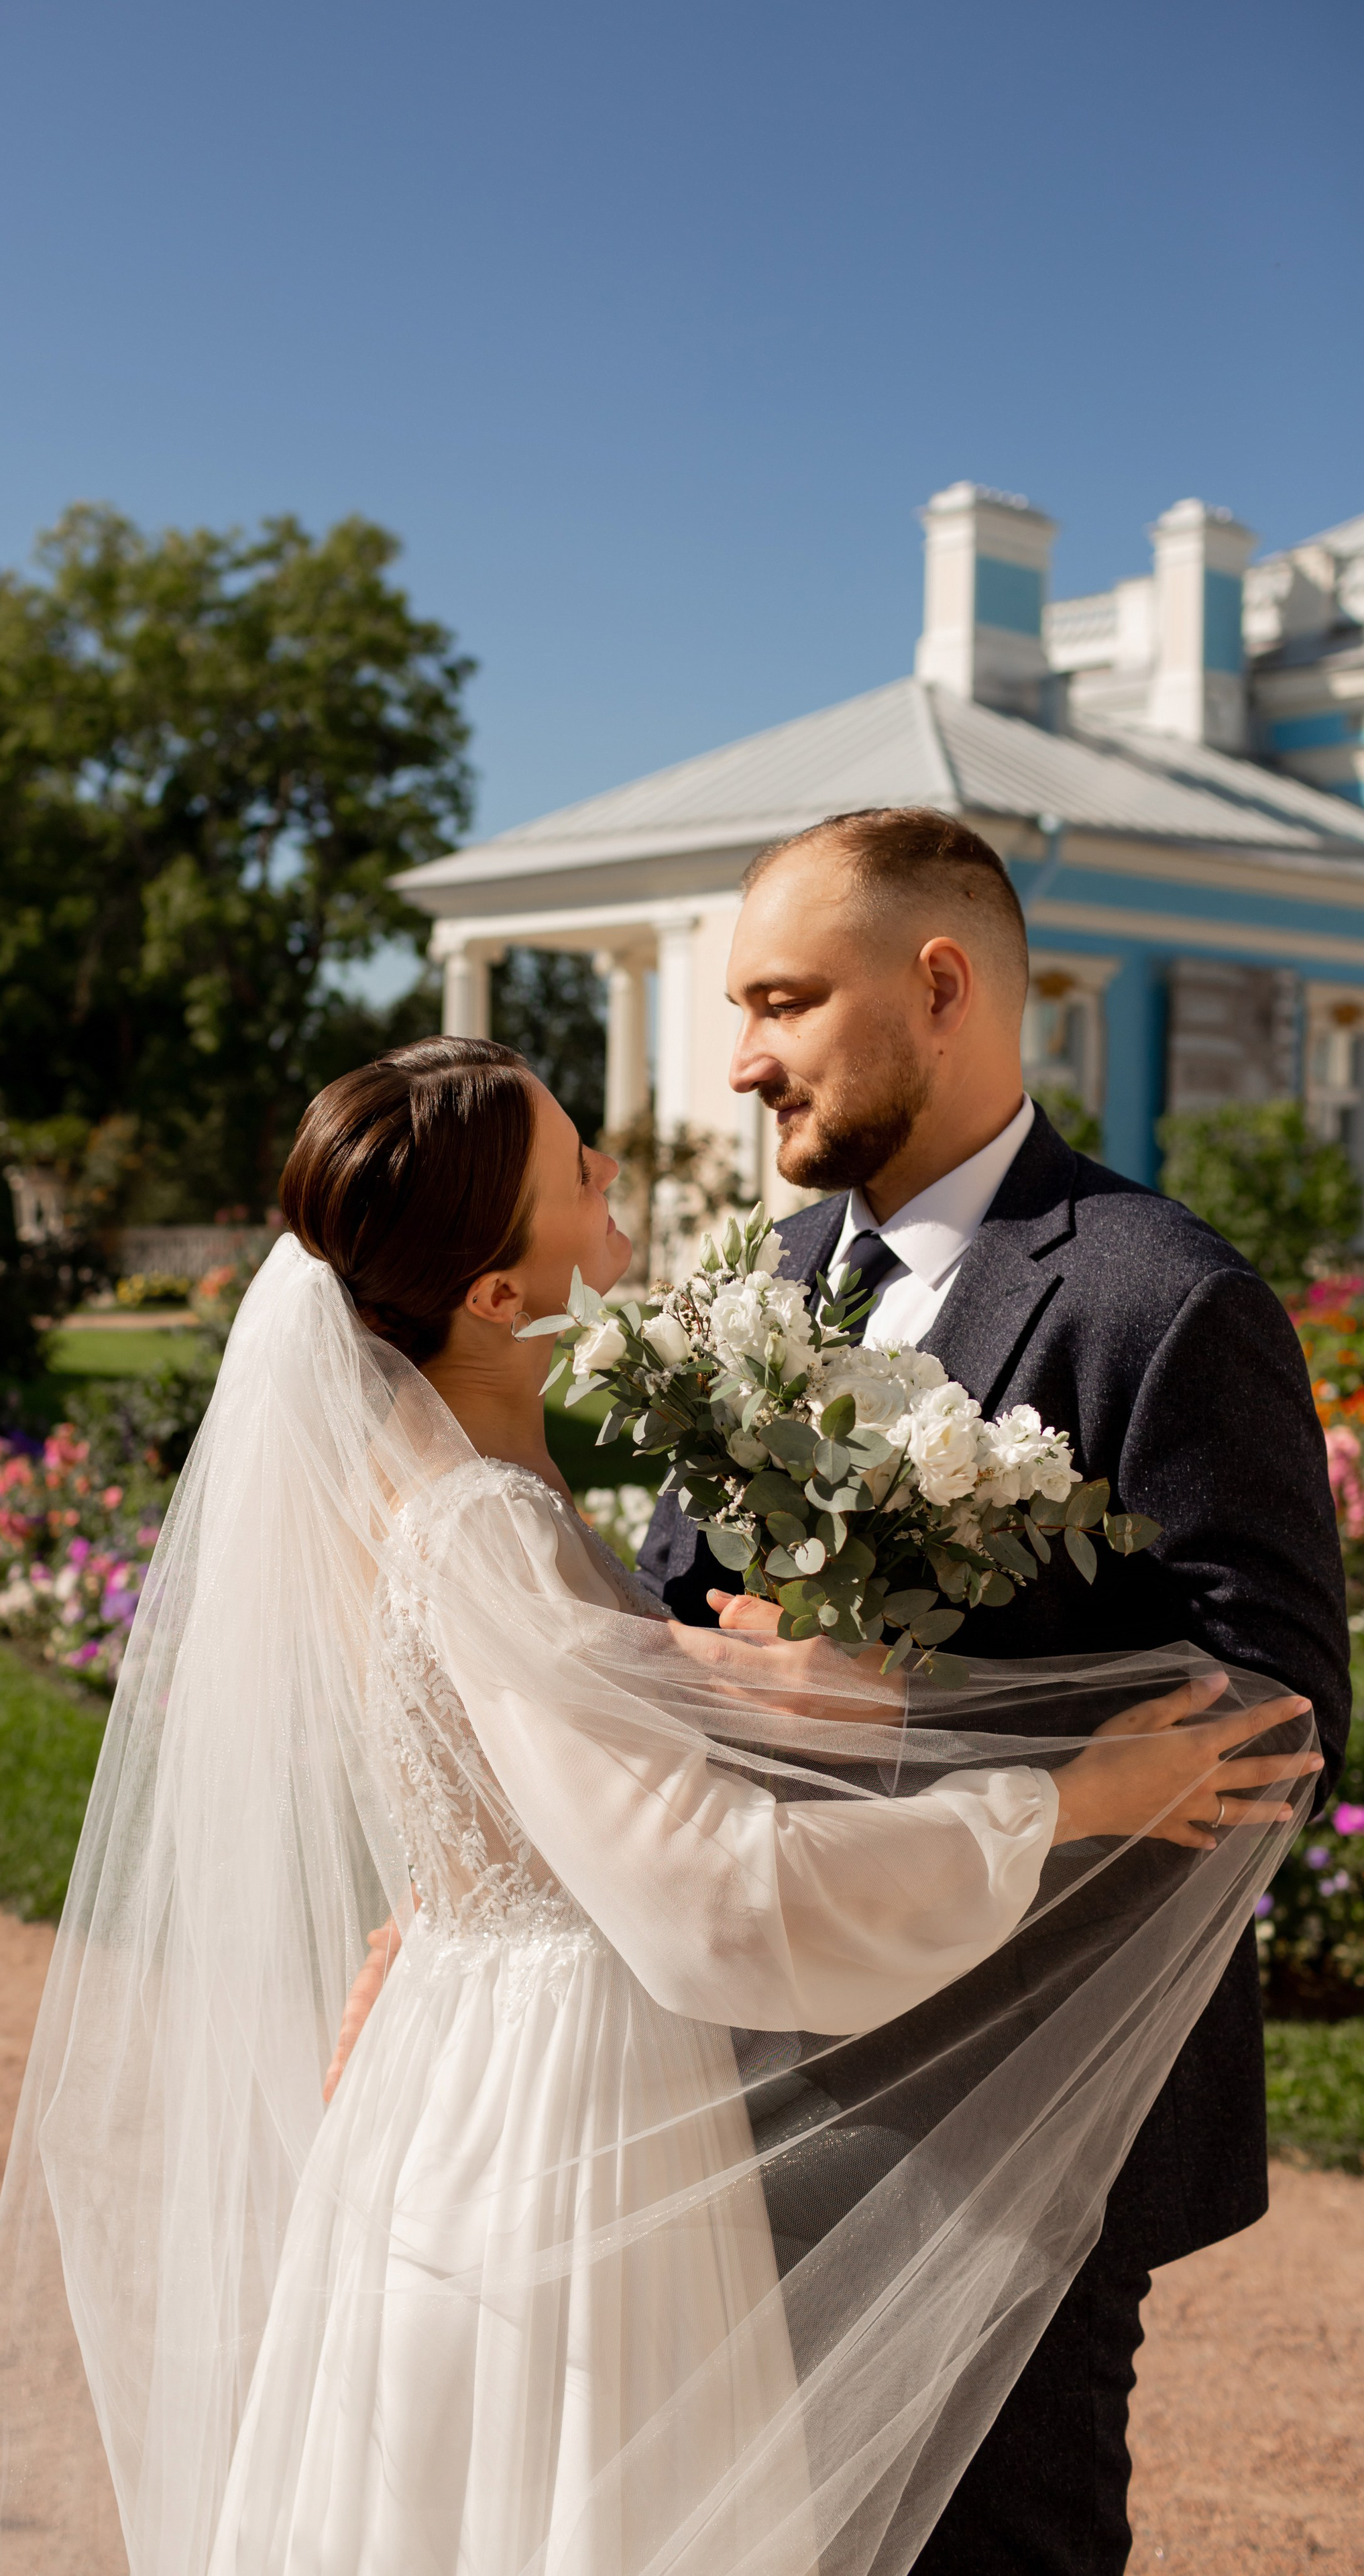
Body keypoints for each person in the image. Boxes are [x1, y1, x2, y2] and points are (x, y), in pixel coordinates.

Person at [0, 1035, 1320, 2576]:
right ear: (491, 1294)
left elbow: (552, 1738)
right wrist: (1065, 1796)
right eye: (573, 1169)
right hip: (559, 2112)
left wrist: (782, 1684)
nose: (613, 1171)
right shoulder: (479, 1525)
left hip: (487, 2060)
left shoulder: (481, 1494)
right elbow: (710, 1897)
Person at [634, 805, 1353, 2576]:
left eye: (784, 1002)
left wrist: (900, 1706)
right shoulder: (764, 1286)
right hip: (750, 2067)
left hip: (1030, 2112)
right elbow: (668, 1607)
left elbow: (1271, 1724)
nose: (741, 1061)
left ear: (939, 983)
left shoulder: (1161, 1298)